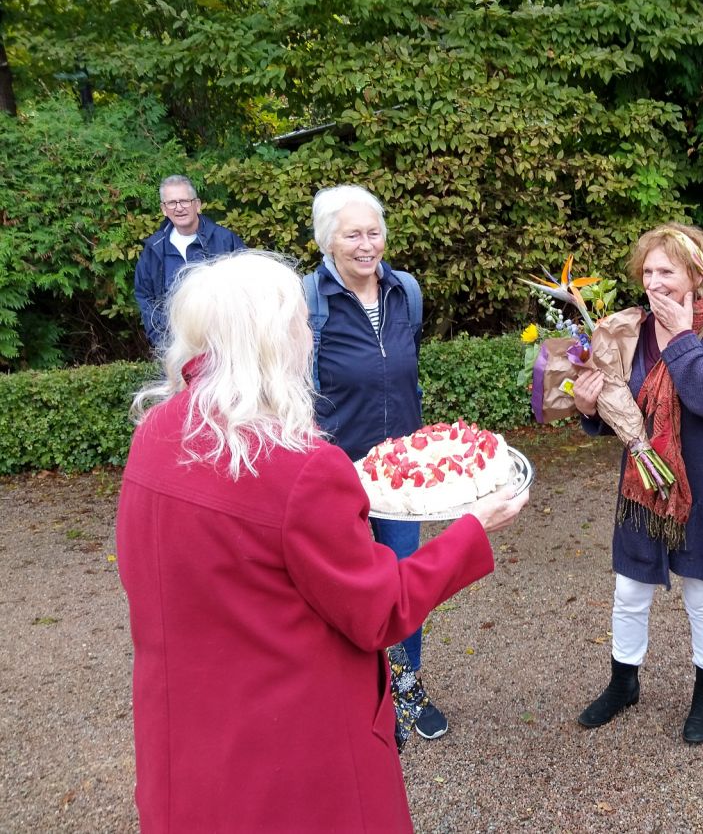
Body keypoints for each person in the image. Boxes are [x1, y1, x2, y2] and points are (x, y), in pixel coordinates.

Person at [115, 250, 528, 833]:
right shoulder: (301, 467)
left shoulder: (156, 431)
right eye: (301, 324)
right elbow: (379, 608)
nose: (310, 336)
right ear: (274, 340)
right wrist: (471, 530)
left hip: (186, 737)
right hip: (294, 754)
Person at [571, 222, 703, 744]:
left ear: (696, 274)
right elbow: (622, 406)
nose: (655, 281)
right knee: (630, 587)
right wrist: (588, 408)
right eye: (648, 271)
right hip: (645, 479)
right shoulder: (630, 328)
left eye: (667, 271)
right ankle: (624, 681)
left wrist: (682, 335)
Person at [303, 184, 450, 741]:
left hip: (402, 474)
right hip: (338, 474)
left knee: (403, 581)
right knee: (340, 587)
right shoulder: (308, 301)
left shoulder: (404, 290)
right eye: (352, 234)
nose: (367, 245)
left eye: (374, 231)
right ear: (327, 241)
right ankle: (354, 690)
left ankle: (406, 684)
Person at [133, 175, 246, 349]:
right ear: (164, 209)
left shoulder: (225, 240)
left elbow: (246, 289)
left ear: (197, 205)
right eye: (171, 203)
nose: (179, 208)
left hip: (224, 346)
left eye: (185, 201)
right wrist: (164, 340)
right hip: (174, 348)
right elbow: (145, 297)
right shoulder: (153, 250)